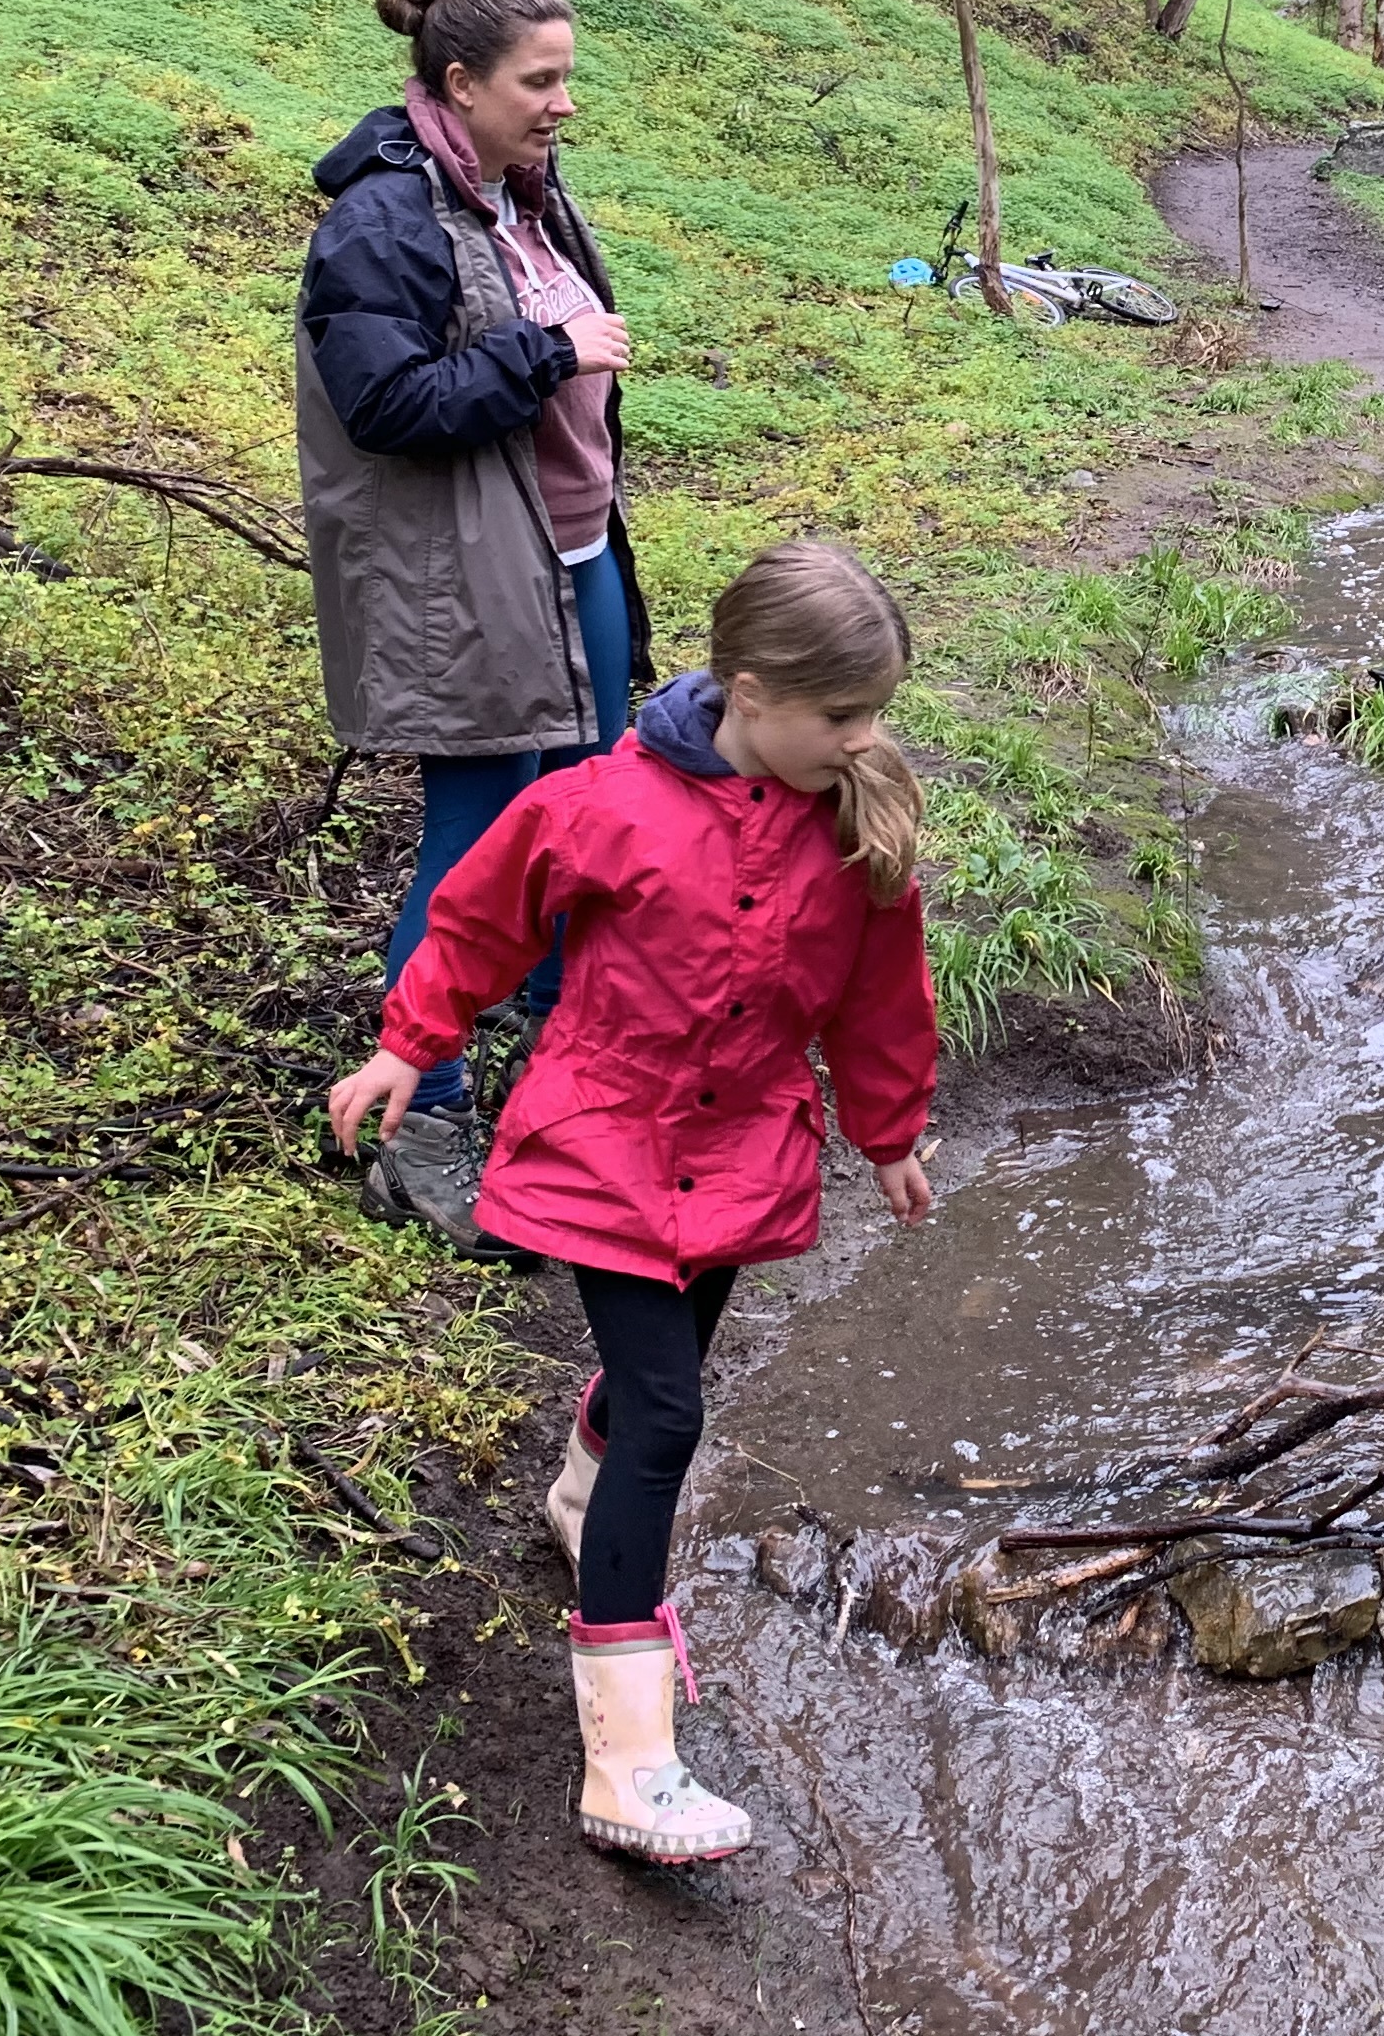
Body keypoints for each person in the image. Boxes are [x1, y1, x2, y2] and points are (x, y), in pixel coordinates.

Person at [326, 542, 941, 1864]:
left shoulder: (853, 821)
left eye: (874, 711)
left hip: (745, 1150)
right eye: (843, 716)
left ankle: (577, 1503)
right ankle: (628, 1762)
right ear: (750, 690)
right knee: (668, 1411)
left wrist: (887, 1132)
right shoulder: (603, 805)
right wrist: (408, 1044)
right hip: (601, 1140)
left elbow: (881, 992)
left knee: (659, 1378)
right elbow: (479, 921)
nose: (866, 737)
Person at [298, 0, 650, 1248]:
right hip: (473, 582)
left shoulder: (519, 191)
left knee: (586, 809)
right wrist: (547, 351)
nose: (563, 103)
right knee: (477, 847)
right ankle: (420, 1119)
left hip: (571, 559)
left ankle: (571, 1058)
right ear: (460, 82)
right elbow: (386, 406)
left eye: (567, 79)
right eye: (539, 81)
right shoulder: (384, 222)